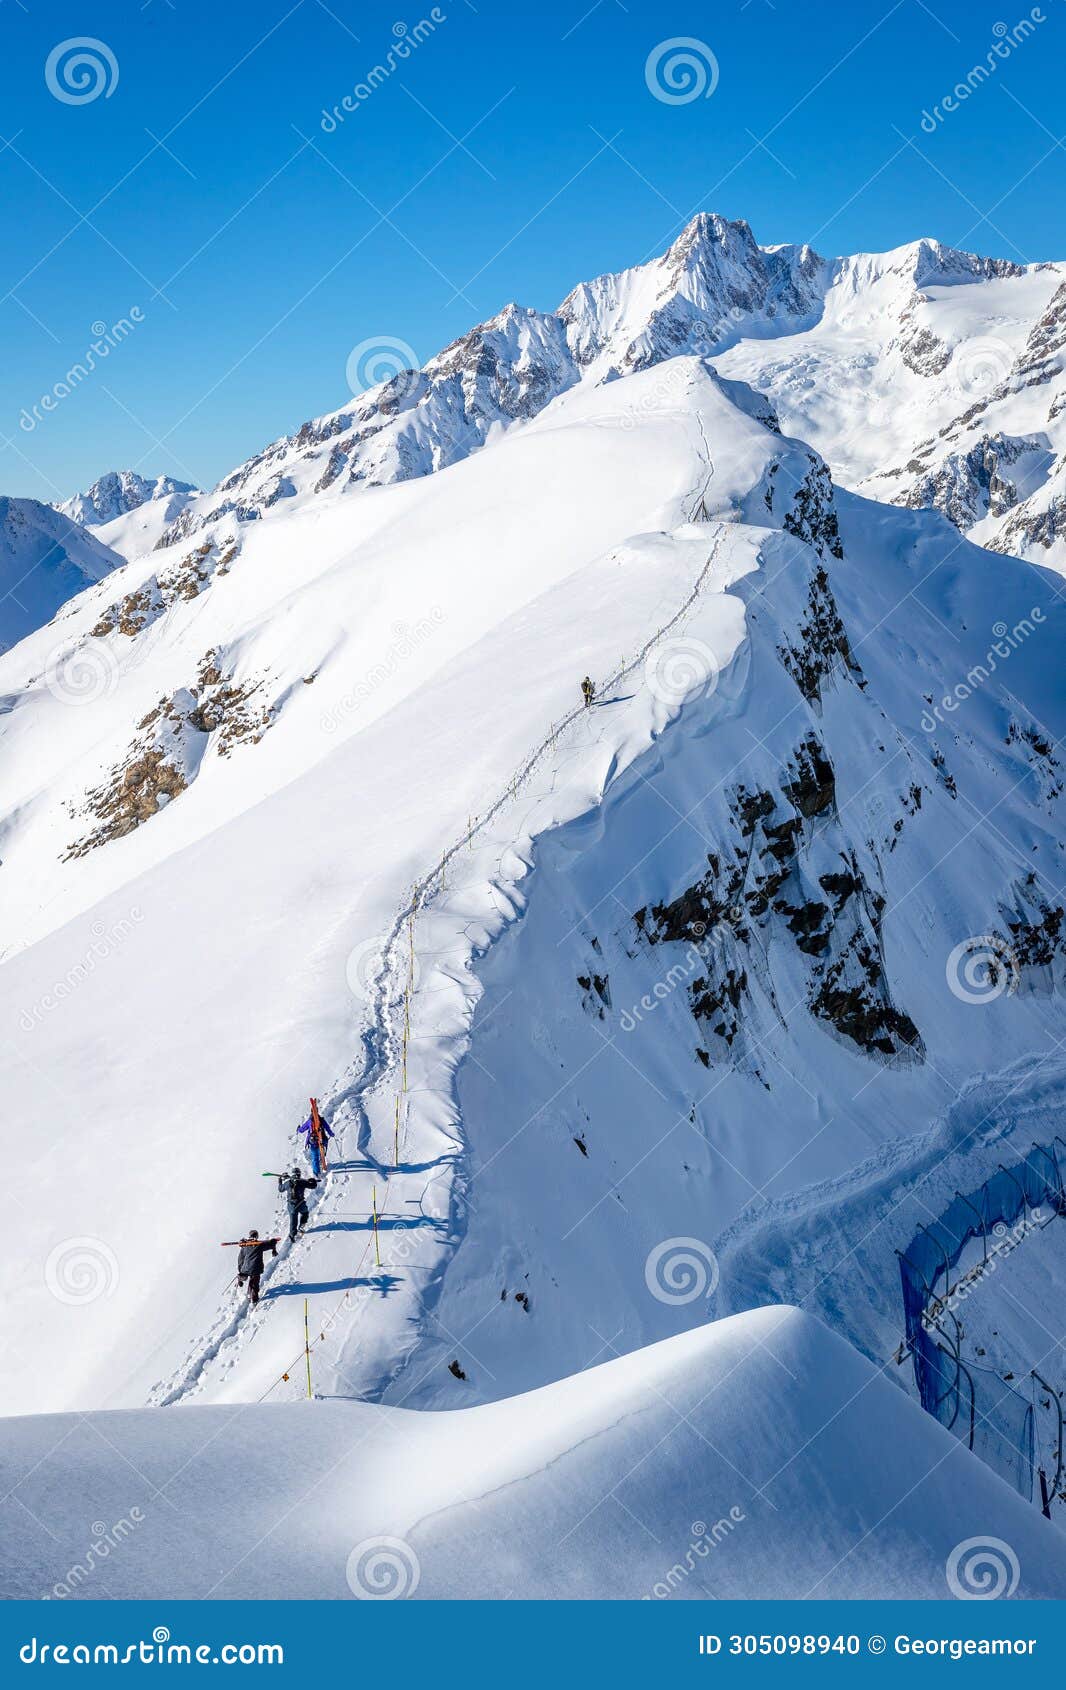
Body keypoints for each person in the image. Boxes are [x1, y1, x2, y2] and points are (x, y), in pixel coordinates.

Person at [235, 1230, 278, 1305]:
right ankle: (254, 1299)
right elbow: (270, 1245)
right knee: (255, 1283)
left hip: (246, 1268)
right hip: (256, 1268)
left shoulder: (245, 1246)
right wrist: (273, 1241)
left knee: (252, 1280)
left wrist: (240, 1270)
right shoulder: (259, 1245)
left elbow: (240, 1259)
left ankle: (249, 1294)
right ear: (257, 1236)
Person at [278, 1167, 317, 1242]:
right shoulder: (302, 1182)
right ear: (299, 1174)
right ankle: (301, 1225)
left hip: (291, 1205)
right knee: (305, 1213)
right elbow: (313, 1186)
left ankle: (292, 1235)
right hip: (301, 1204)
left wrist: (280, 1181)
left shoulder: (288, 1183)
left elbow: (280, 1189)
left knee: (293, 1220)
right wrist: (313, 1181)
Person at [297, 1099, 334, 1176]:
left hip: (313, 1141)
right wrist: (331, 1134)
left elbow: (301, 1130)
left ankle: (316, 1172)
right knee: (321, 1153)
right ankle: (321, 1162)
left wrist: (298, 1129)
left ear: (311, 1112)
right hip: (322, 1141)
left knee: (314, 1157)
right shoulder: (321, 1120)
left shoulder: (309, 1121)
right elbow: (327, 1128)